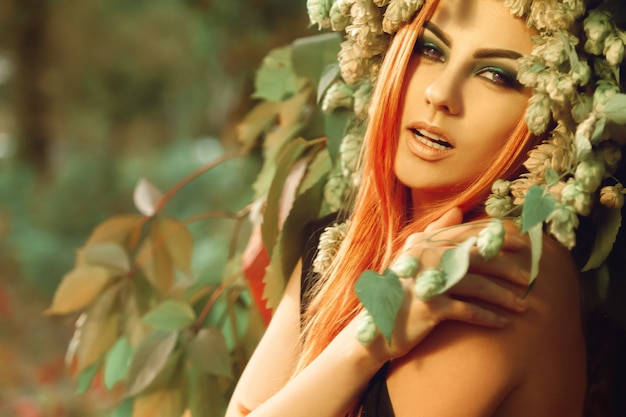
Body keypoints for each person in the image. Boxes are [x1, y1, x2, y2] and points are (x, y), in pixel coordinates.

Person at [226, 0, 625, 415]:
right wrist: (360, 348)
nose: (440, 94)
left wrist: (363, 347)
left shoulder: (501, 267)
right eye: (430, 49)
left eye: (496, 76)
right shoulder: (335, 246)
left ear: (556, 117)